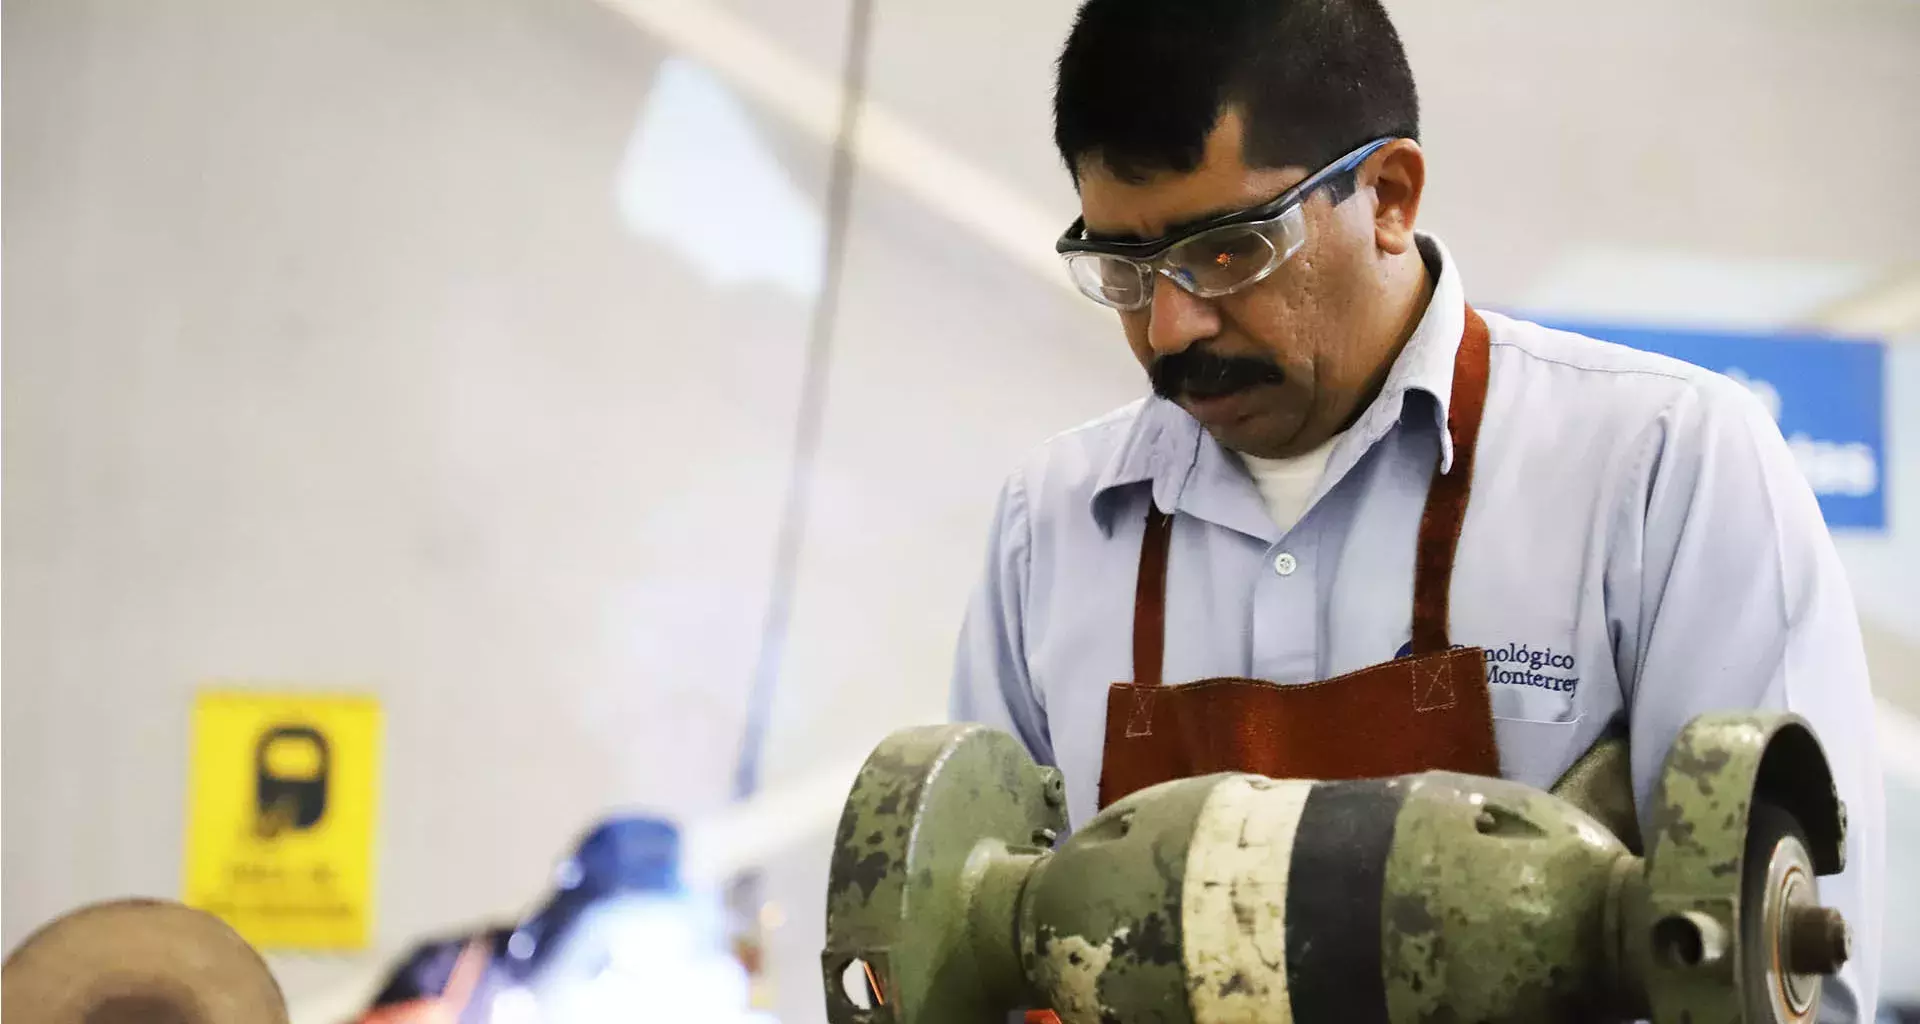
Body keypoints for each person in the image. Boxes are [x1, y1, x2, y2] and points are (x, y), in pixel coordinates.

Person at [948, 0, 1883, 1016]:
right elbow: (963, 950)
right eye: (1126, 269)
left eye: (1226, 253)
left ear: (1389, 194)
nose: (1171, 326)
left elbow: (1788, 972)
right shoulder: (1051, 526)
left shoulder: (1661, 470)